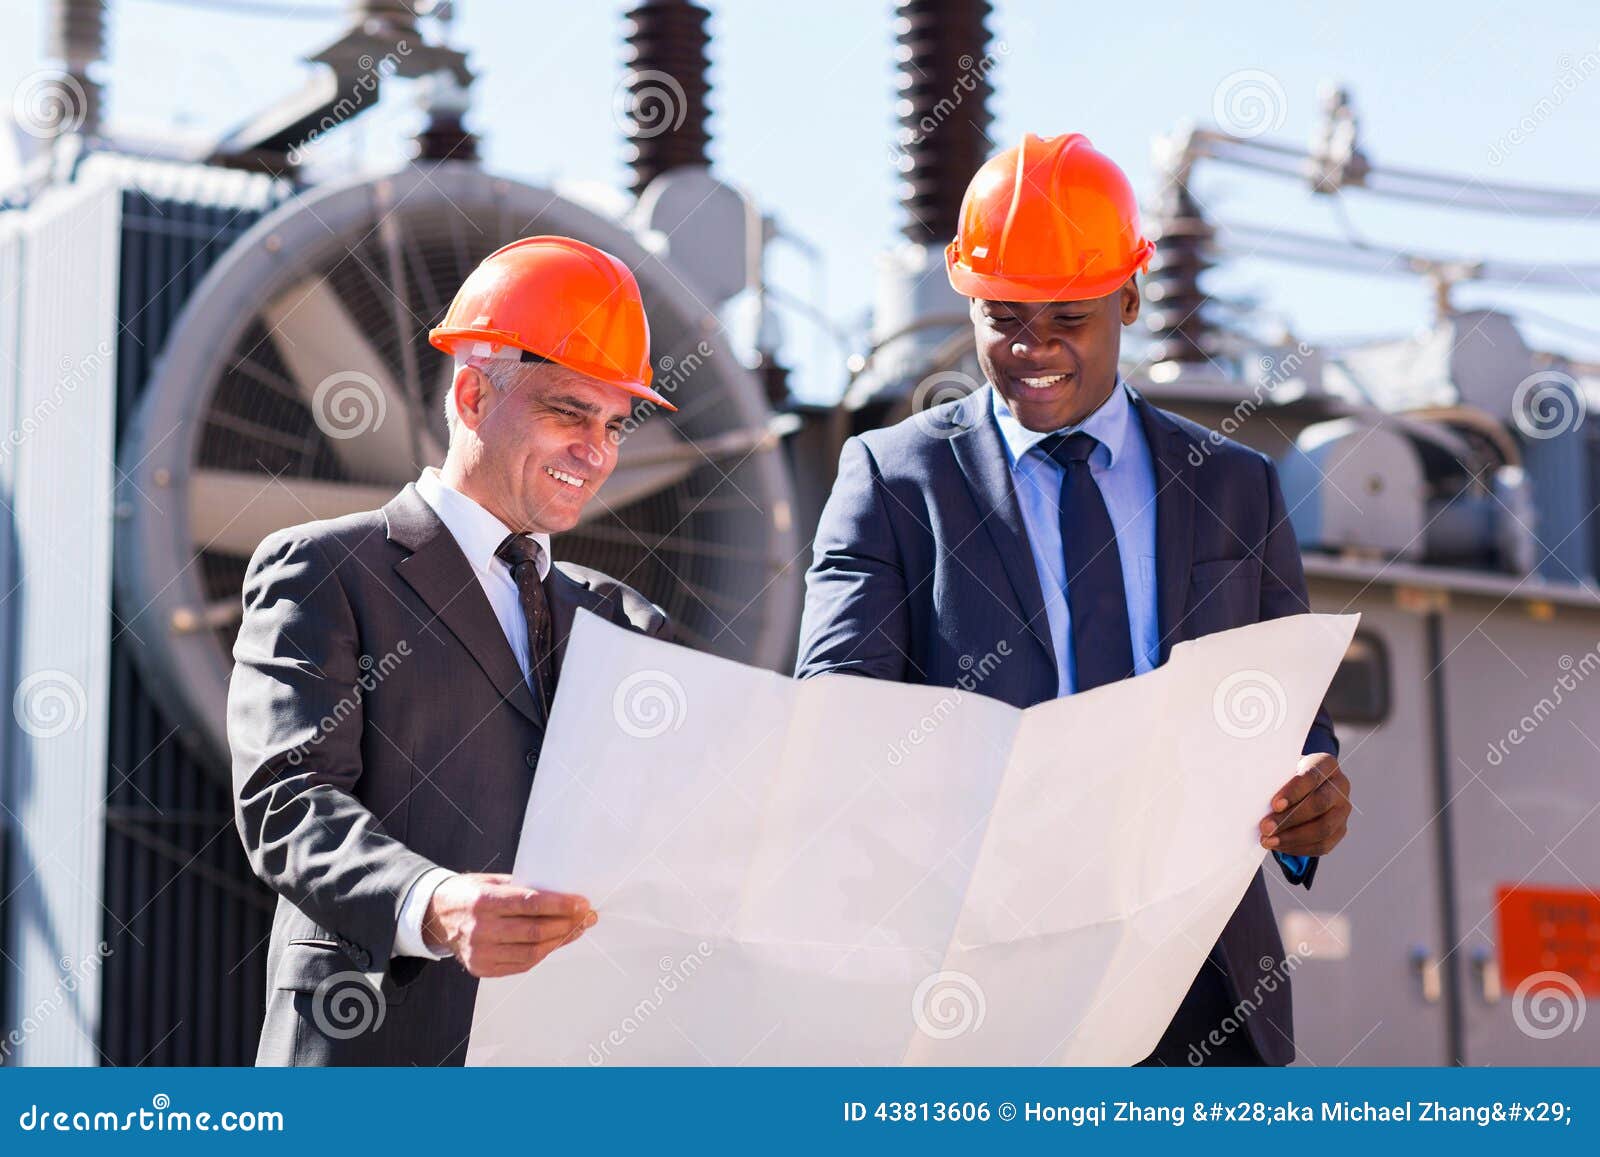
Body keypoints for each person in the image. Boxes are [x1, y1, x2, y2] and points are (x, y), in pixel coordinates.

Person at [795, 133, 1352, 1066]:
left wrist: (1310, 798)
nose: (1033, 348)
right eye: (1003, 317)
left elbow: (1293, 718)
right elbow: (835, 727)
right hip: (978, 997)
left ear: (1129, 297)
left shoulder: (1236, 488)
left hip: (1203, 996)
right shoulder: (895, 481)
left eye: (1068, 317)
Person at [229, 236, 673, 1065]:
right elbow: (286, 802)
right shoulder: (326, 569)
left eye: (615, 423)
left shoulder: (622, 622)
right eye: (570, 410)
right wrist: (434, 903)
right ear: (472, 394)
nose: (598, 450)